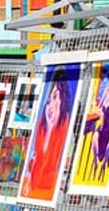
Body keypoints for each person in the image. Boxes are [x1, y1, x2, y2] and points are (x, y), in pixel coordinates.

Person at [21, 69, 73, 202]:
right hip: (33, 188)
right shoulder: (42, 125)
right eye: (49, 100)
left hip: (51, 191)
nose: (50, 106)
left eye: (55, 97)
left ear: (63, 99)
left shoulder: (66, 126)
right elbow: (35, 163)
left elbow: (58, 164)